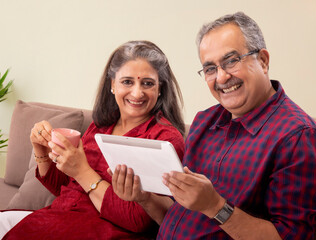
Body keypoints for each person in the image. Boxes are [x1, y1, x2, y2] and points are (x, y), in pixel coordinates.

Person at [111, 12, 316, 240]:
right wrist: (144, 197)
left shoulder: (298, 137)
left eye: (231, 61)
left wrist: (216, 207)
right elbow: (181, 217)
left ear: (263, 61)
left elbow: (290, 237)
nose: (221, 77)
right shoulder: (205, 122)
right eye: (210, 68)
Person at [0, 40, 185, 240]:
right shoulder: (101, 125)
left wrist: (82, 171)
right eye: (127, 82)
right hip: (59, 217)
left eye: (147, 83)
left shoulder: (164, 139)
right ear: (112, 84)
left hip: (104, 231)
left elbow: (138, 220)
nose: (137, 92)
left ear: (160, 89)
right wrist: (41, 150)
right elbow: (66, 189)